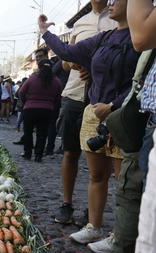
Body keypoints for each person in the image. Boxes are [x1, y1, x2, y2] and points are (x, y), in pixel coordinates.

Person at [39, 0, 140, 245]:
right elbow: (68, 53)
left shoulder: (141, 38)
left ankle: (120, 238)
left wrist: (114, 105)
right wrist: (44, 32)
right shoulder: (104, 37)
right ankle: (93, 226)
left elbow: (140, 82)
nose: (112, 3)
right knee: (96, 174)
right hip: (94, 112)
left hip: (121, 115)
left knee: (122, 180)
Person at [83, 1, 156, 253]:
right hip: (144, 118)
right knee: (136, 201)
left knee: (136, 199)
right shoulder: (107, 36)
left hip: (144, 122)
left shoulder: (133, 31)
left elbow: (141, 36)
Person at [54, 0, 117, 226]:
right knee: (70, 153)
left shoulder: (117, 19)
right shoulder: (79, 23)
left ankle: (91, 211)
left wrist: (96, 69)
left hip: (103, 100)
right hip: (74, 95)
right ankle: (66, 204)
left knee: (102, 160)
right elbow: (64, 62)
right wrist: (77, 64)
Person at [18, 59, 62, 162]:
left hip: (30, 109)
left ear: (39, 67)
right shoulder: (56, 81)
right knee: (42, 133)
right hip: (47, 110)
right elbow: (59, 96)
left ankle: (27, 153)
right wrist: (51, 104)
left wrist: (26, 103)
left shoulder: (32, 79)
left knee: (28, 132)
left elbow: (21, 92)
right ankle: (38, 155)